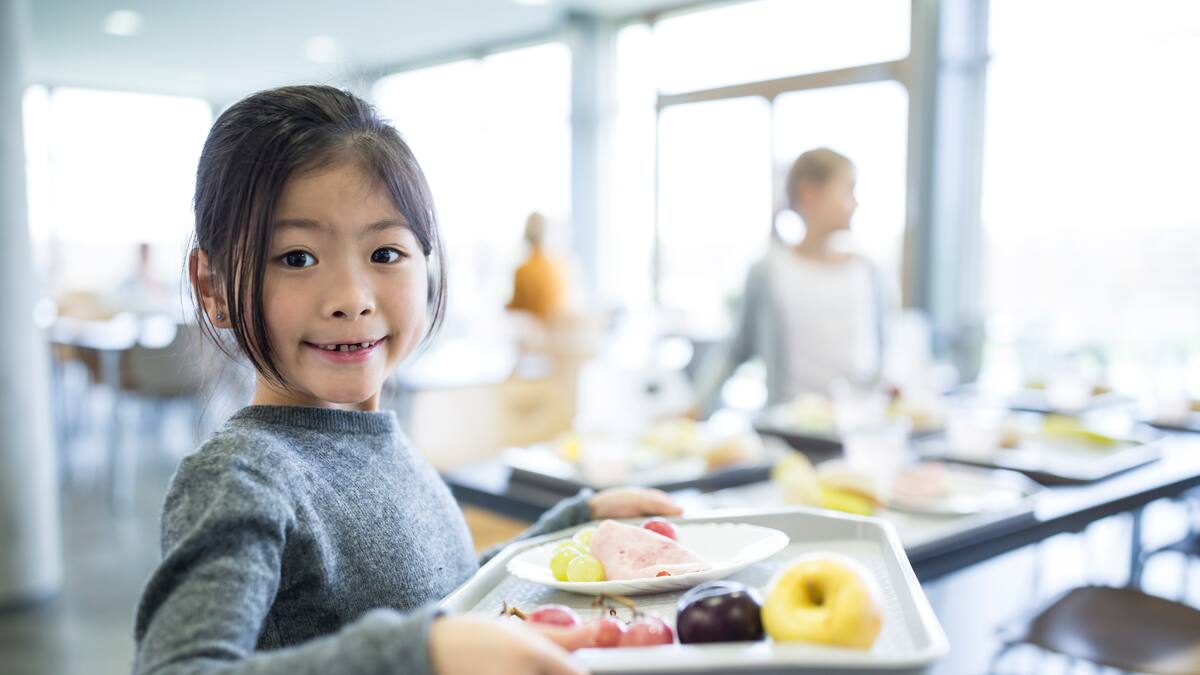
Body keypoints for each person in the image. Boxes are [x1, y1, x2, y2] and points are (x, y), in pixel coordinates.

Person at [132, 85, 680, 675]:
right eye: (296, 257)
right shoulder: (241, 476)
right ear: (212, 286)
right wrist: (419, 655)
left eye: (386, 253)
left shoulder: (377, 441)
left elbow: (442, 597)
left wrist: (566, 533)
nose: (352, 299)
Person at [693, 147, 888, 415]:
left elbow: (879, 355)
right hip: (791, 428)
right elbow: (736, 350)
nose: (855, 203)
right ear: (808, 193)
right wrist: (698, 406)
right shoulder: (769, 270)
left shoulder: (867, 271)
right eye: (847, 190)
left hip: (859, 424)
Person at [507, 211, 568, 322]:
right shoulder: (559, 267)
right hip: (556, 331)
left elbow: (517, 306)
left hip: (534, 333)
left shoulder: (523, 271)